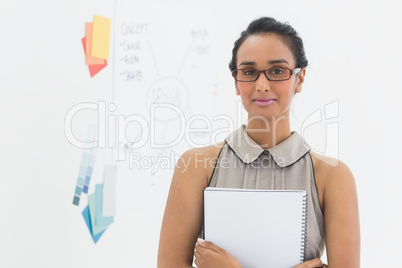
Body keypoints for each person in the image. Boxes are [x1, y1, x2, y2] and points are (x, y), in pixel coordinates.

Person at [157, 17, 360, 268]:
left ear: (300, 78)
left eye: (277, 71)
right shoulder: (196, 167)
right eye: (249, 72)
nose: (262, 85)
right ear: (235, 81)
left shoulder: (333, 177)